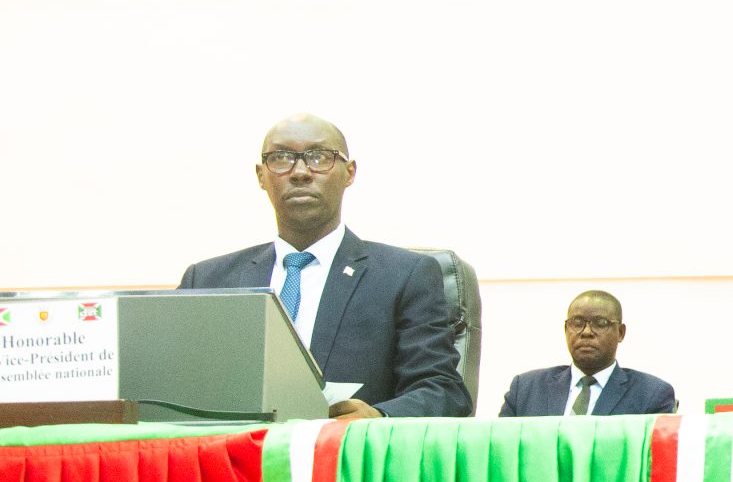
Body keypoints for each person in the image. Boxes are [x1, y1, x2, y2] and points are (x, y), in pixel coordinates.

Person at [179, 114, 473, 420]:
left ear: (349, 173)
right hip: (234, 447)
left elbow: (443, 391)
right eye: (281, 158)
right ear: (261, 176)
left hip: (346, 448)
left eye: (319, 157)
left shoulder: (405, 276)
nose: (300, 172)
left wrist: (378, 417)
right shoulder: (207, 281)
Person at [500, 290, 680, 416]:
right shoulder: (525, 389)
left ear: (620, 332)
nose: (586, 332)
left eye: (600, 323)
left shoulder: (652, 394)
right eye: (577, 323)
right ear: (566, 329)